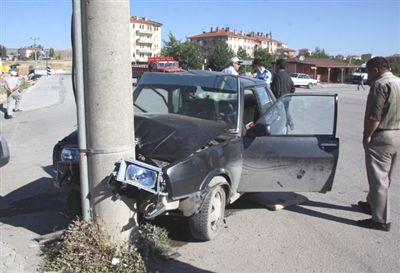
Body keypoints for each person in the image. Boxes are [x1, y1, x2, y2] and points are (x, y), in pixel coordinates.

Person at [357, 57, 400, 232]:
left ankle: (381, 219)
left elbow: (375, 116)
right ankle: (372, 203)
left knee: (378, 178)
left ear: (375, 70)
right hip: (397, 133)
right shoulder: (397, 81)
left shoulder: (379, 84)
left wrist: (367, 135)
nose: (367, 76)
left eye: (368, 72)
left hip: (382, 135)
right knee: (385, 175)